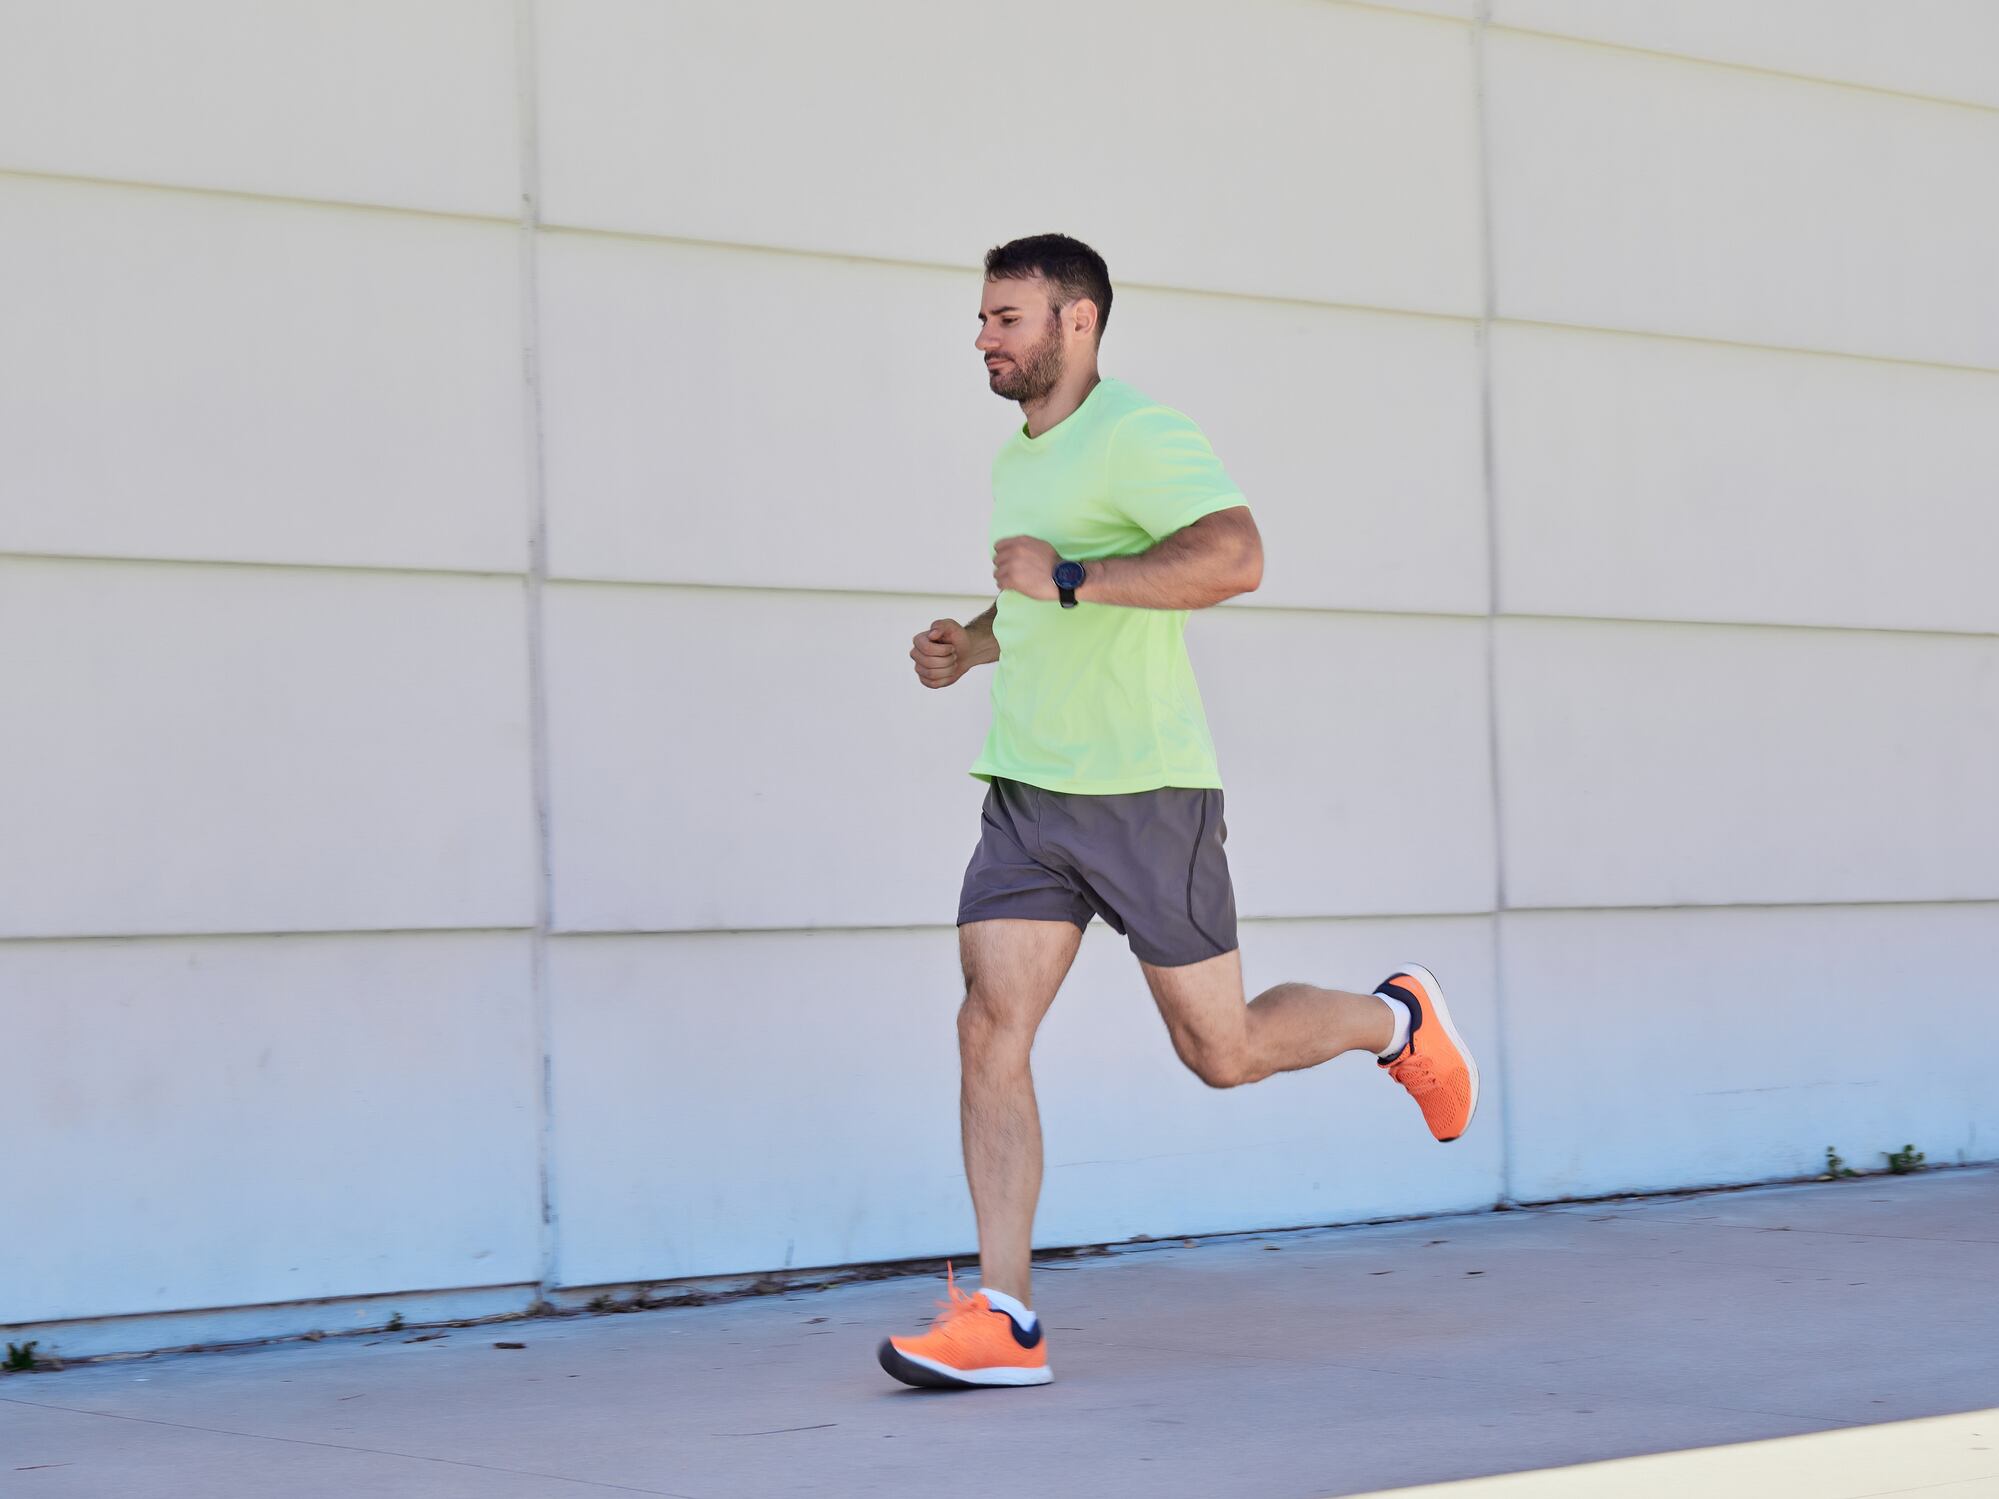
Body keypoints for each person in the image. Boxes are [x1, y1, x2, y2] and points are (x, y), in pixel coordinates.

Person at [878, 234, 1477, 1391]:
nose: (984, 338)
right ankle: (1005, 1315)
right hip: (1028, 793)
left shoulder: (1140, 434)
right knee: (986, 1024)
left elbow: (1235, 557)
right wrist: (979, 640)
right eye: (983, 317)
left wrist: (1063, 577)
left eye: (1007, 317)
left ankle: (1395, 1019)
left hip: (1144, 793)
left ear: (1078, 321)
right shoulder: (1022, 456)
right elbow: (1050, 598)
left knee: (1221, 1047)